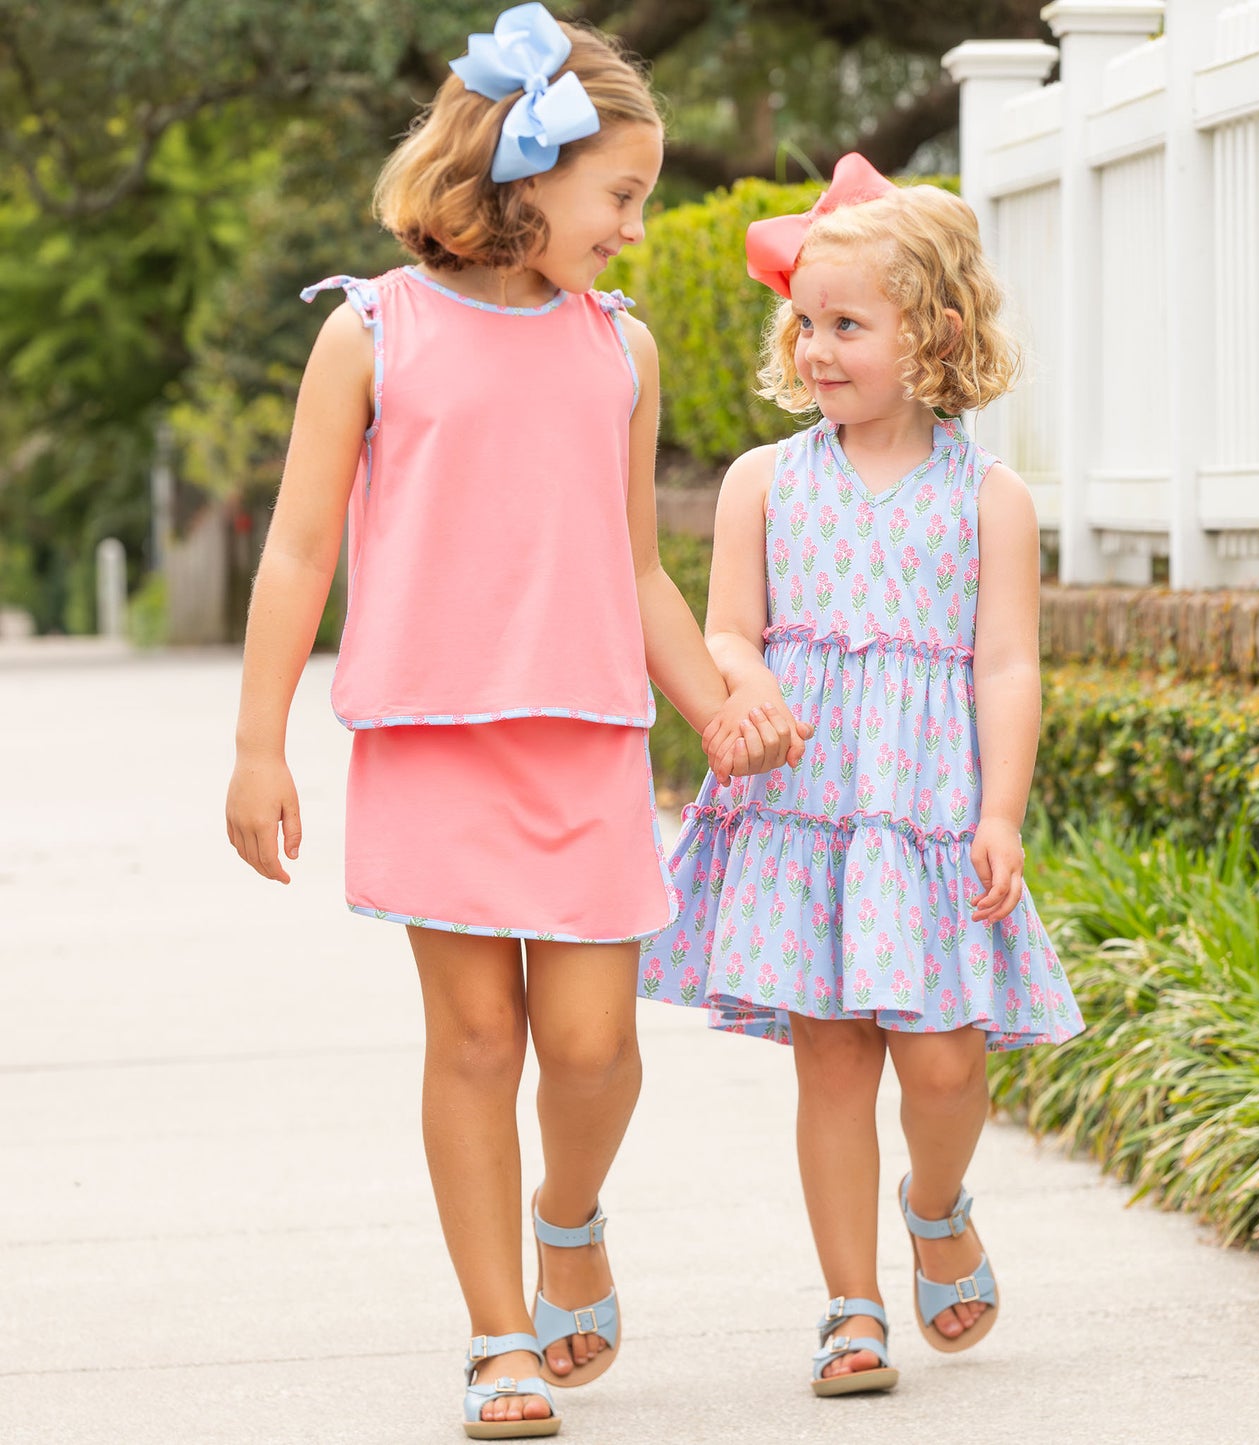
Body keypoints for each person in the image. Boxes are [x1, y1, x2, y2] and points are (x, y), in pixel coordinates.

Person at [224, 6, 808, 1438]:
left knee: (599, 1047)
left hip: (586, 738)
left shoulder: (619, 347)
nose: (631, 227)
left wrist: (718, 698)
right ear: (524, 169)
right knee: (477, 1040)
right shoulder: (369, 333)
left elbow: (634, 565)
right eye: (621, 195)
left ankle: (567, 1215)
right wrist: (256, 744)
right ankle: (498, 1337)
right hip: (432, 738)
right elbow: (299, 552)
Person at [638, 154, 1085, 1398]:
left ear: (934, 332)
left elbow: (1004, 665)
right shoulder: (763, 482)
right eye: (806, 321)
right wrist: (744, 681)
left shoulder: (988, 498)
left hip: (928, 812)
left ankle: (933, 1200)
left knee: (941, 1060)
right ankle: (849, 1304)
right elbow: (727, 629)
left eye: (849, 323)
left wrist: (998, 809)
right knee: (829, 1056)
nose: (818, 347)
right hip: (805, 808)